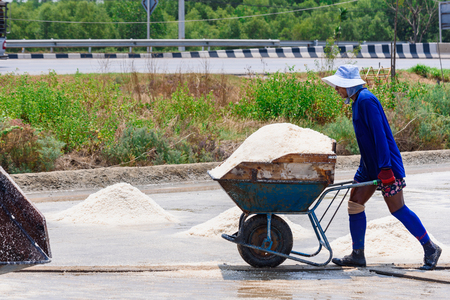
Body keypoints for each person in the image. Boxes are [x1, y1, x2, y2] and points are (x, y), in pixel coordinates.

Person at [321, 65, 441, 270]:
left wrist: (386, 169)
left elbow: (380, 137)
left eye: (338, 85)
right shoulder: (357, 102)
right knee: (355, 203)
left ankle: (430, 248)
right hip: (368, 165)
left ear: (349, 85)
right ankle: (357, 254)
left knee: (397, 208)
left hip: (386, 165)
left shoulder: (366, 101)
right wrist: (366, 167)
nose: (336, 90)